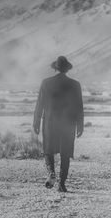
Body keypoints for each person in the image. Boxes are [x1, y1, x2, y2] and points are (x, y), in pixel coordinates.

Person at [33, 56, 84, 192]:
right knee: (65, 153)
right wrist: (80, 125)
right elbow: (79, 106)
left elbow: (40, 104)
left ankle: (51, 174)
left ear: (55, 68)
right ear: (67, 69)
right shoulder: (75, 84)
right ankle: (61, 183)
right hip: (68, 123)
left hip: (50, 122)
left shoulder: (46, 83)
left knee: (48, 151)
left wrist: (36, 121)